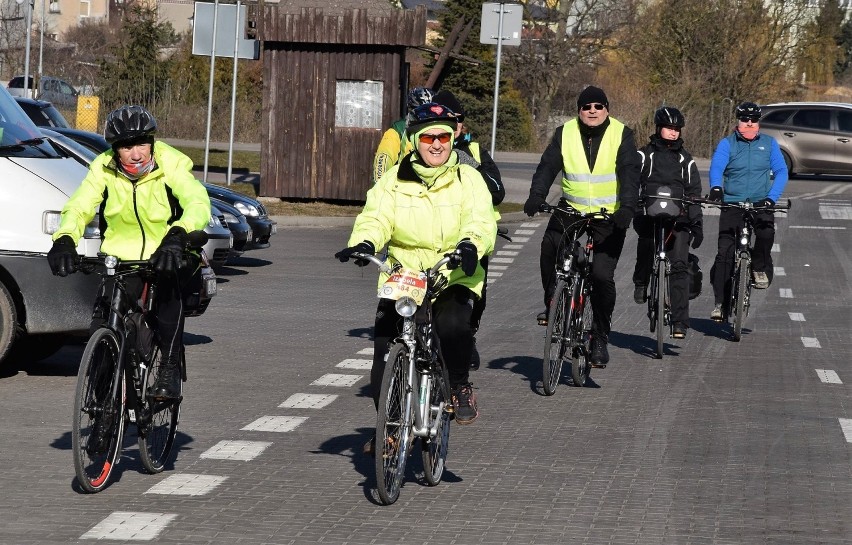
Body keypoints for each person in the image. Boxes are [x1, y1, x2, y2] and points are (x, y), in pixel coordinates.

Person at [336, 102, 497, 436]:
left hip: (450, 271)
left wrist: (469, 244)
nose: (436, 144)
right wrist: (365, 242)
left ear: (452, 138)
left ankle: (459, 385)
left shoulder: (467, 176)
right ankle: (391, 430)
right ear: (415, 141)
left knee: (453, 325)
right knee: (383, 354)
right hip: (404, 275)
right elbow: (376, 216)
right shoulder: (394, 179)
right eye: (428, 138)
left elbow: (479, 218)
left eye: (442, 136)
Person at [46, 105, 211, 399]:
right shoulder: (103, 167)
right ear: (115, 148)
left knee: (167, 294)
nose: (136, 154)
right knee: (103, 324)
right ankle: (101, 408)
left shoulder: (171, 163)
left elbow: (197, 203)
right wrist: (65, 238)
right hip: (121, 258)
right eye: (125, 146)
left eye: (142, 143)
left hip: (167, 252)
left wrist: (178, 234)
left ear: (152, 142)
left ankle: (169, 369)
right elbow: (80, 205)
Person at [524, 86, 640, 367]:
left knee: (601, 276)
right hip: (572, 209)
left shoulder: (621, 134)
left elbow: (629, 172)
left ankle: (599, 337)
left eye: (598, 106)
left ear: (607, 110)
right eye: (586, 106)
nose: (592, 111)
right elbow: (548, 166)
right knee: (549, 245)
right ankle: (553, 299)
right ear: (579, 110)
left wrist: (627, 208)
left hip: (609, 215)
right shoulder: (565, 132)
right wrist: (536, 195)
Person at [432, 89, 505, 367]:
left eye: (457, 119)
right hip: (431, 237)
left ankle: (468, 335)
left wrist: (471, 165)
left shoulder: (474, 151)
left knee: (477, 294)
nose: (453, 125)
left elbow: (498, 193)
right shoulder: (423, 147)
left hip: (472, 236)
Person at [707, 101, 788, 321]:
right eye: (745, 119)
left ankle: (759, 267)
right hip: (733, 202)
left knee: (766, 234)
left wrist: (771, 199)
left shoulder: (769, 144)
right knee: (724, 253)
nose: (749, 123)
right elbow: (717, 167)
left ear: (758, 122)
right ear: (738, 120)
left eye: (753, 119)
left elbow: (781, 171)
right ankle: (720, 304)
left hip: (761, 202)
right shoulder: (727, 144)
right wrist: (716, 187)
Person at [631, 107, 703, 339]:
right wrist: (631, 205)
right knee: (646, 244)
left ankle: (680, 321)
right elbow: (631, 184)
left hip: (678, 218)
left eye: (676, 129)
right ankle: (641, 282)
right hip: (648, 213)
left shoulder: (686, 159)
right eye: (668, 128)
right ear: (658, 128)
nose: (673, 133)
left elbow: (693, 192)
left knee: (680, 265)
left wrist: (696, 223)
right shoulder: (644, 155)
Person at [371, 86, 434, 184]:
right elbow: (383, 159)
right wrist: (378, 188)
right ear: (412, 110)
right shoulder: (399, 129)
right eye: (421, 111)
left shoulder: (439, 130)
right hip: (403, 187)